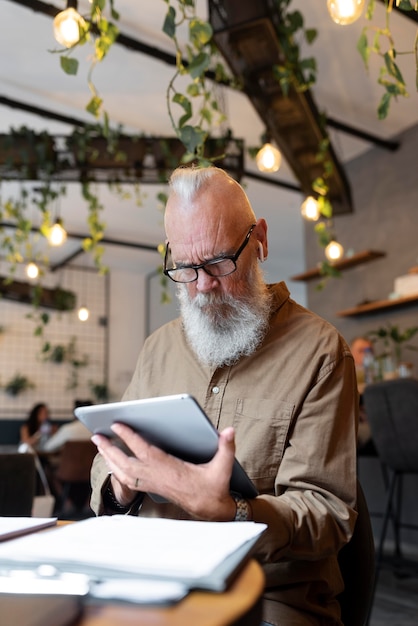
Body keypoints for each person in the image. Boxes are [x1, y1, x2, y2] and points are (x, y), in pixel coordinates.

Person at [90, 166, 358, 626]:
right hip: (156, 585)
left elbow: (329, 514)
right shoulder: (157, 349)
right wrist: (123, 481)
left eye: (218, 263)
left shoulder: (322, 352)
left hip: (272, 597)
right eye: (186, 268)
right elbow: (107, 469)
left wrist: (232, 512)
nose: (202, 286)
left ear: (261, 241)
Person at [349, 336, 376, 454]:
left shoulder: (379, 377)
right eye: (360, 351)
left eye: (369, 351)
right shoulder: (344, 378)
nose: (366, 355)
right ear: (350, 353)